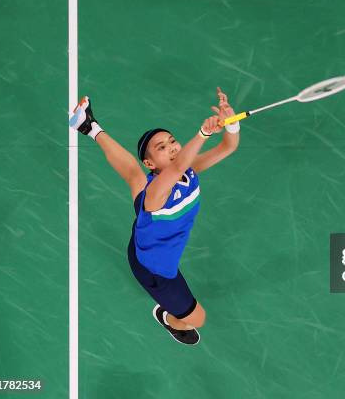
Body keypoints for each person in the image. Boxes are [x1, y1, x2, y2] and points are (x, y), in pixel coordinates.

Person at [69, 88, 240, 345]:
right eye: (161, 147)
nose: (171, 147)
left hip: (146, 234)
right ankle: (167, 318)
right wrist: (203, 133)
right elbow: (179, 165)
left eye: (172, 141)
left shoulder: (187, 170)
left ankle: (88, 126)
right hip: (154, 268)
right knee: (198, 319)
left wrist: (232, 124)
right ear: (151, 164)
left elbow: (228, 147)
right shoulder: (156, 194)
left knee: (132, 175)